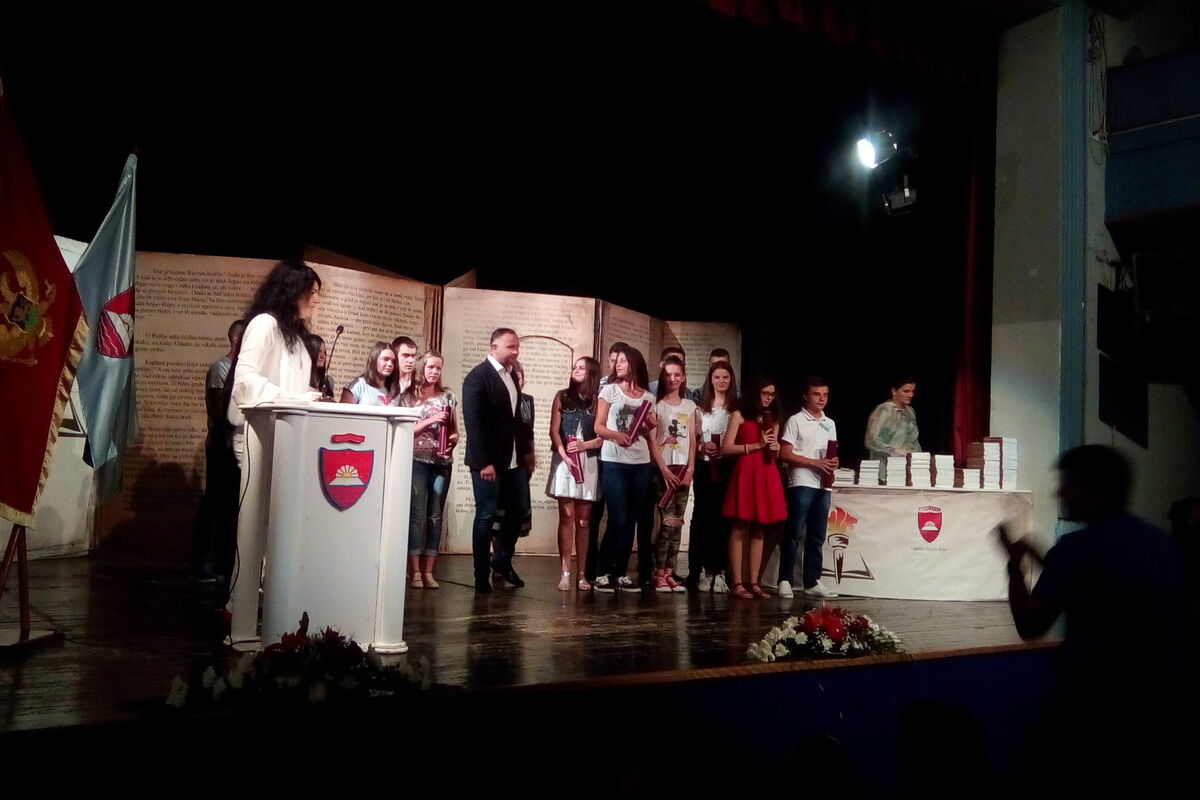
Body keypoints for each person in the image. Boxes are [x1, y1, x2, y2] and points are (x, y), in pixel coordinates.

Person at [998, 445, 1185, 785]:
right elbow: (1091, 582)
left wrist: (1014, 566)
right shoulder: (1163, 545)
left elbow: (1030, 625)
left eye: (1070, 484)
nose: (1060, 493)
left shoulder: (1075, 550)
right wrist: (1043, 556)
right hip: (1157, 709)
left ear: (1099, 489)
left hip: (1089, 709)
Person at [228, 260, 323, 459]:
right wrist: (291, 399)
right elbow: (245, 380)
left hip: (284, 433)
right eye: (312, 292)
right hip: (257, 435)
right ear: (293, 291)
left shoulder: (293, 336)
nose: (317, 300)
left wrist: (314, 397)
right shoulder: (265, 324)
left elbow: (290, 382)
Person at [462, 328, 531, 593]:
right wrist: (484, 462)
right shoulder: (478, 377)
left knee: (518, 510)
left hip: (513, 460)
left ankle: (502, 560)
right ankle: (481, 573)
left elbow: (516, 420)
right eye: (511, 346)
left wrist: (525, 454)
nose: (516, 351)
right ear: (494, 347)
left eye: (517, 346)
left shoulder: (511, 375)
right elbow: (474, 424)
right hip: (488, 461)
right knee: (486, 515)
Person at [594, 347, 656, 593]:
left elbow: (648, 433)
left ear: (634, 363)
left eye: (622, 360)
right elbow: (598, 427)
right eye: (616, 361)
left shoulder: (648, 397)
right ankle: (602, 571)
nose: (617, 364)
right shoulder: (609, 391)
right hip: (614, 462)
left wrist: (651, 425)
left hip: (640, 462)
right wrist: (616, 435)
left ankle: (620, 572)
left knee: (631, 519)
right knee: (618, 518)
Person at [191, 318, 245, 583]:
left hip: (239, 448)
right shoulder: (220, 368)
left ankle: (225, 564)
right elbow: (219, 410)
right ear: (236, 339)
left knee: (233, 507)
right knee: (213, 502)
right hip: (221, 446)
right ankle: (200, 562)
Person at [721, 378, 787, 599]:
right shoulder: (739, 415)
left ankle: (754, 582)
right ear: (755, 393)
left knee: (759, 529)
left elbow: (774, 453)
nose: (769, 397)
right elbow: (726, 448)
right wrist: (756, 445)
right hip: (746, 470)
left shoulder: (773, 418)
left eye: (772, 394)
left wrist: (774, 448)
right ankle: (737, 582)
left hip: (766, 471)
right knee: (740, 527)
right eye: (765, 393)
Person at [400, 350, 458, 589]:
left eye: (438, 368)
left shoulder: (447, 396)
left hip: (441, 462)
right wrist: (430, 421)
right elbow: (407, 429)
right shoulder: (409, 396)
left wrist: (451, 443)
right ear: (421, 368)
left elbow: (454, 430)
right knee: (416, 515)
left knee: (435, 515)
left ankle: (429, 571)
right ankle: (414, 570)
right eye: (430, 367)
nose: (434, 372)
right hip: (417, 459)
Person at [778, 376, 839, 599]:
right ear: (806, 396)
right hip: (802, 481)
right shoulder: (796, 420)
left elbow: (830, 453)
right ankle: (785, 579)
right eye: (816, 394)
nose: (821, 399)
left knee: (817, 535)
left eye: (825, 395)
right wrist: (815, 463)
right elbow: (785, 453)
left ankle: (812, 581)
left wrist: (833, 462)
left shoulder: (830, 423)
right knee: (794, 532)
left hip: (824, 484)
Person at [547, 356, 603, 591]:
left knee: (583, 520)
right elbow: (554, 431)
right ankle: (565, 572)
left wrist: (583, 446)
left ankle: (582, 574)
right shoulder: (562, 396)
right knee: (566, 516)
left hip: (588, 460)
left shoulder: (598, 401)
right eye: (574, 367)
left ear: (591, 373)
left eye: (581, 368)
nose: (576, 370)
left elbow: (602, 437)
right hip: (564, 460)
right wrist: (564, 454)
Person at [648, 355, 697, 592]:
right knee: (667, 523)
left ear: (683, 377)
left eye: (677, 374)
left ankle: (670, 572)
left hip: (683, 470)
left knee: (678, 523)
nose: (673, 378)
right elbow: (653, 441)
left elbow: (693, 440)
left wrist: (691, 468)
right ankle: (659, 572)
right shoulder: (657, 405)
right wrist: (664, 469)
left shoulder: (690, 407)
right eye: (668, 374)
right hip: (664, 470)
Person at [689, 360, 737, 593]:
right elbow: (693, 439)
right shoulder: (700, 409)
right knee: (701, 518)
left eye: (725, 377)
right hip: (704, 468)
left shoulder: (735, 410)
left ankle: (718, 571)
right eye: (717, 377)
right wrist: (702, 447)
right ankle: (698, 571)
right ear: (710, 379)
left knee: (722, 520)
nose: (721, 381)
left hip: (727, 468)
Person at [864, 375, 920, 460]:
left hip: (910, 463)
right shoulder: (883, 410)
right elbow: (871, 441)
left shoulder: (910, 411)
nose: (910, 395)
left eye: (913, 391)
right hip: (888, 463)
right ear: (894, 391)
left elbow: (914, 441)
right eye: (906, 391)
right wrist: (894, 451)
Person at [303, 333, 334, 399]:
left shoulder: (327, 381)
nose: (323, 356)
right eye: (319, 351)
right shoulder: (299, 378)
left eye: (324, 352)